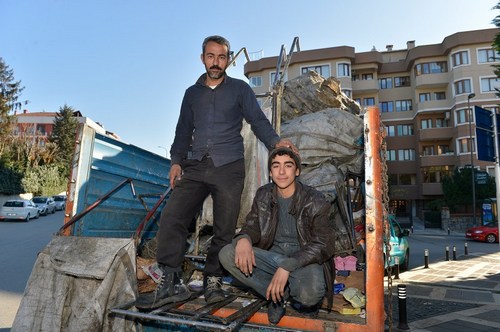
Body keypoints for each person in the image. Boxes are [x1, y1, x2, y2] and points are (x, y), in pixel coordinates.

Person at [135, 35, 296, 310]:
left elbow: (257, 120)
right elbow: (183, 131)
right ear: (203, 58)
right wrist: (176, 161)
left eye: (222, 57)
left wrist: (275, 143)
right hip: (195, 166)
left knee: (224, 227)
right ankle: (172, 281)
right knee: (173, 217)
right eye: (211, 57)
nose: (216, 63)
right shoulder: (191, 94)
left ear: (228, 59)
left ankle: (213, 280)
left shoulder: (240, 90)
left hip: (229, 166)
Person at [218, 147, 336, 325]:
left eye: (288, 166)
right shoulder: (263, 194)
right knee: (227, 253)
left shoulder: (316, 200)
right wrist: (243, 239)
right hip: (272, 257)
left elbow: (324, 244)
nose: (281, 172)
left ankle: (284, 289)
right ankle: (276, 296)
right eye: (276, 166)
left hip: (303, 259)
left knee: (309, 295)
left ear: (297, 171)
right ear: (271, 172)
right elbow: (252, 225)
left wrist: (287, 266)